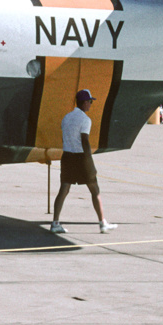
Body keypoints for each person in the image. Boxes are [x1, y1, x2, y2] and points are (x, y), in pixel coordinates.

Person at [50, 89, 117, 234]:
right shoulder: (85, 120)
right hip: (81, 157)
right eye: (90, 102)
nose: (91, 104)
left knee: (64, 189)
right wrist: (89, 161)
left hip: (67, 156)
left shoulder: (66, 118)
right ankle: (102, 222)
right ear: (85, 102)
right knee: (94, 189)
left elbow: (64, 138)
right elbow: (85, 140)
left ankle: (55, 222)